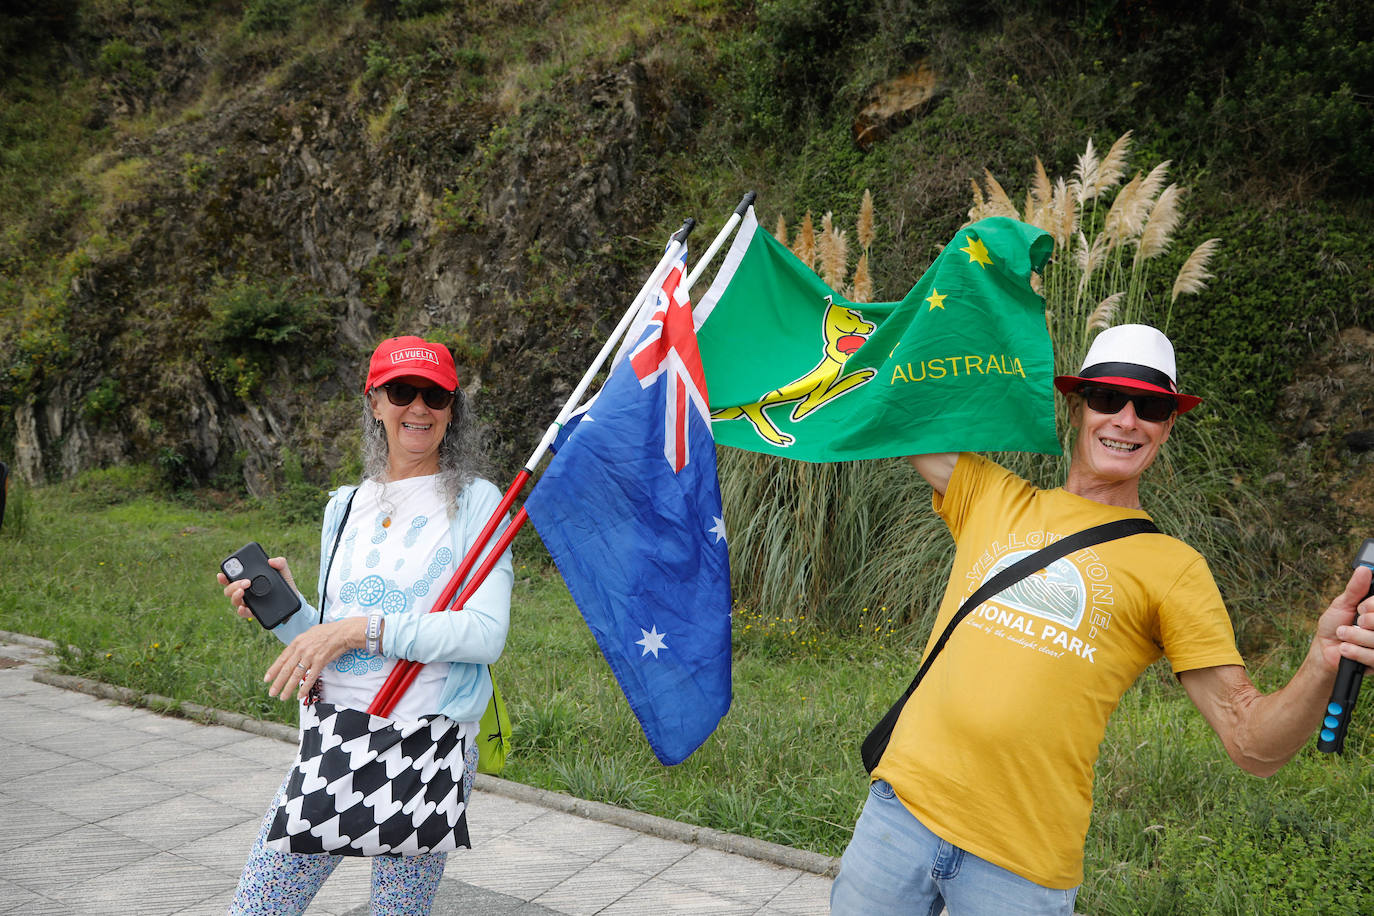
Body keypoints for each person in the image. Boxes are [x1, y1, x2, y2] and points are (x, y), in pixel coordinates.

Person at [830, 323, 1374, 916]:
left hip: (1018, 864)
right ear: (1078, 408)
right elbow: (889, 402)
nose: (1125, 419)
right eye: (1108, 398)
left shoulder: (1173, 569)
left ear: (1168, 427)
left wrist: (1321, 662)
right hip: (898, 815)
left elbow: (1252, 744)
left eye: (1151, 407)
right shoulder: (991, 495)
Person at [217, 335, 512, 916]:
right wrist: (288, 615)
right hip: (335, 738)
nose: (419, 408)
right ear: (375, 402)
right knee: (259, 906)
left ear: (453, 410)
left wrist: (354, 631)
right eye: (402, 391)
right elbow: (330, 636)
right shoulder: (345, 505)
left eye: (435, 395)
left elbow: (484, 633)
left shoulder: (478, 502)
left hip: (426, 743)